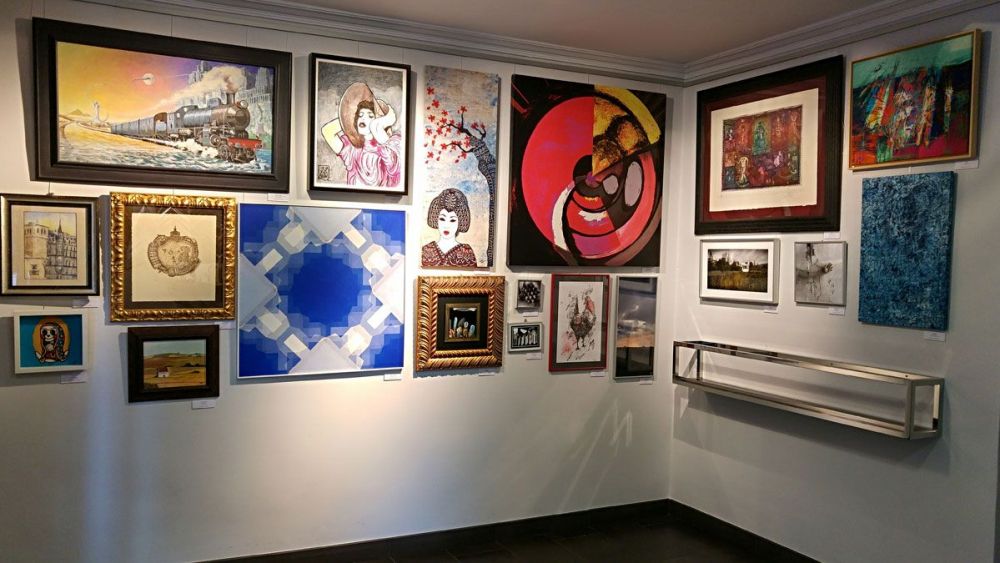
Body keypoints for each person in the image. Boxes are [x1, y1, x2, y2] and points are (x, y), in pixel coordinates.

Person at [321, 82, 401, 188]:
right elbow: (327, 131)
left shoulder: (389, 147)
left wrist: (379, 124)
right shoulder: (351, 148)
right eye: (360, 115)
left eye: (370, 116)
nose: (363, 118)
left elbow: (395, 170)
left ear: (378, 119)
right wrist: (348, 118)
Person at [421, 188, 477, 267]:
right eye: (442, 219)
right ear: (436, 219)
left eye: (452, 220)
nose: (446, 225)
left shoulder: (466, 252)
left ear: (460, 222)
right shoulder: (426, 249)